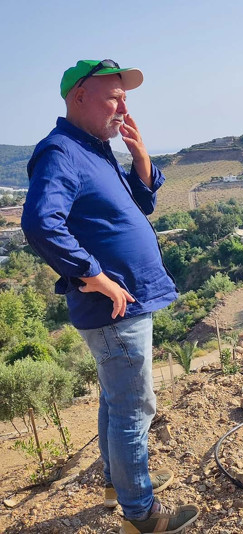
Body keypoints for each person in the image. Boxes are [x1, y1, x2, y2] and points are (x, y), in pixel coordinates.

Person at [21, 59, 199, 534]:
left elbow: (132, 209)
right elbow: (40, 223)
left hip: (126, 304)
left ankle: (115, 482)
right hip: (115, 307)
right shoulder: (61, 152)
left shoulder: (96, 150)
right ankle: (141, 513)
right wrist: (95, 275)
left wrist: (140, 159)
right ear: (79, 97)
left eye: (125, 97)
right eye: (113, 96)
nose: (123, 106)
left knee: (114, 401)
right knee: (132, 408)